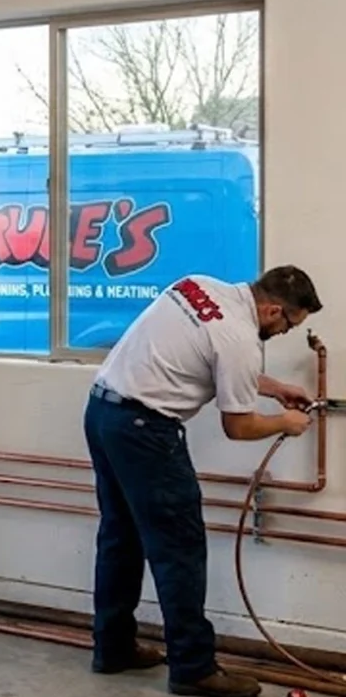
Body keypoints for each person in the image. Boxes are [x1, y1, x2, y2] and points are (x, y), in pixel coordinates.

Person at [83, 266, 322, 697]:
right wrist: (285, 422)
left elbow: (203, 354)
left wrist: (270, 387)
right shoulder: (241, 341)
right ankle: (193, 668)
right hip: (145, 431)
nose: (285, 332)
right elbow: (239, 426)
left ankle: (112, 648)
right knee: (180, 549)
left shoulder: (198, 285)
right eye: (288, 324)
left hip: (103, 413)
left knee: (121, 537)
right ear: (271, 310)